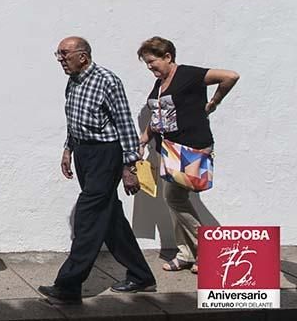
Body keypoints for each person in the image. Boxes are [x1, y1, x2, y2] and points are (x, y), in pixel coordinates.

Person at [38, 37, 156, 304]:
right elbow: (74, 119)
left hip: (106, 154)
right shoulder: (74, 80)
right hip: (84, 153)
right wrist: (68, 149)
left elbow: (124, 123)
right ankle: (141, 275)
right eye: (58, 54)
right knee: (110, 217)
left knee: (87, 217)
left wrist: (129, 166)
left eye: (64, 54)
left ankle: (68, 285)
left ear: (83, 55)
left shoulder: (107, 80)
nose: (60, 59)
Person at [136, 36, 240, 274]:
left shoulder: (188, 75)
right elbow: (158, 114)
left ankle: (207, 249)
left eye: (152, 62)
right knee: (174, 200)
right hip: (170, 149)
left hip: (191, 147)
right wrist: (145, 137)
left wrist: (214, 102)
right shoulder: (160, 83)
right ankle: (185, 254)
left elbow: (230, 76)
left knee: (174, 198)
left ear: (167, 56)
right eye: (147, 63)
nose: (150, 67)